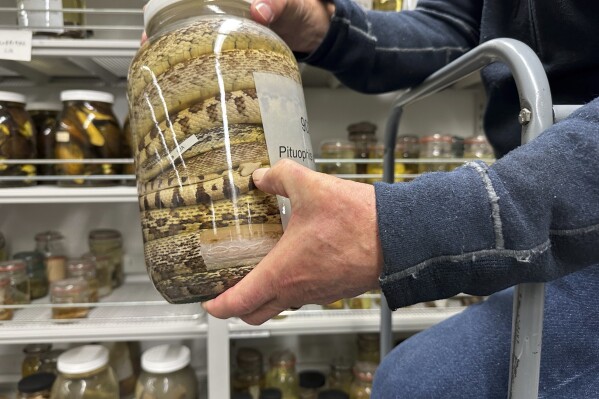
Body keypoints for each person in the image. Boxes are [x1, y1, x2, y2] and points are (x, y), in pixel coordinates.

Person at [202, 0, 599, 396]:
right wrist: (326, 28)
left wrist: (391, 228)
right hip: (543, 210)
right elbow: (457, 26)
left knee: (411, 387)